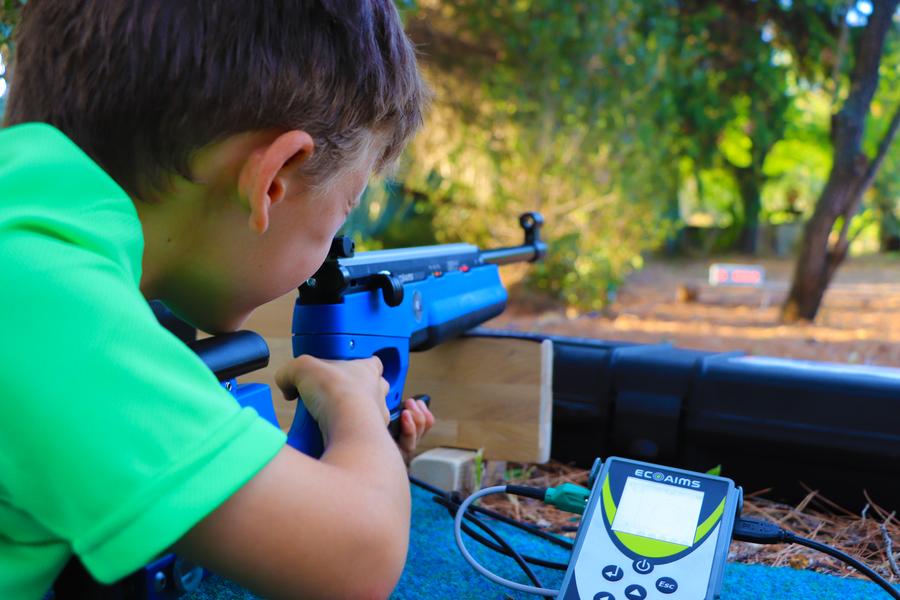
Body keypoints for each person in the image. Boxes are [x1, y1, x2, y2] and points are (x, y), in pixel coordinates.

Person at [0, 1, 434, 598]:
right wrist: (356, 404)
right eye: (341, 214)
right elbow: (359, 560)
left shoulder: (30, 247)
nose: (333, 242)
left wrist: (364, 469)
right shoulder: (48, 306)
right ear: (273, 180)